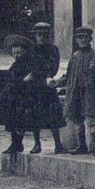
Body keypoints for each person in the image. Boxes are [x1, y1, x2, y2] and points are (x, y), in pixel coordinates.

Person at [57, 26, 95, 156]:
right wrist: (57, 83)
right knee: (76, 118)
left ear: (89, 39)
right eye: (79, 38)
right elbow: (68, 74)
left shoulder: (94, 54)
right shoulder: (75, 56)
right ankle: (81, 145)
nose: (82, 40)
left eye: (85, 37)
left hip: (89, 91)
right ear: (76, 40)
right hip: (75, 92)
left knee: (90, 118)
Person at [27, 22, 68, 154]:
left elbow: (54, 67)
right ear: (35, 36)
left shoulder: (53, 50)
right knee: (35, 116)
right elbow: (31, 67)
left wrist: (44, 75)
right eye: (39, 35)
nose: (42, 37)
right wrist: (39, 74)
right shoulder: (31, 50)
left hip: (48, 86)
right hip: (35, 87)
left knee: (53, 117)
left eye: (45, 35)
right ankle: (37, 144)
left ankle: (58, 144)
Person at [0, 34, 37, 156]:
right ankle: (15, 143)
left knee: (20, 121)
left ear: (25, 52)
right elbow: (9, 81)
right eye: (14, 53)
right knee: (11, 120)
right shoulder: (13, 66)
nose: (16, 55)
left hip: (23, 96)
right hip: (12, 96)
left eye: (19, 52)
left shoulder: (29, 64)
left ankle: (18, 143)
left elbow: (29, 80)